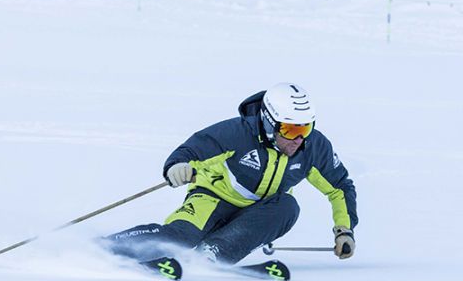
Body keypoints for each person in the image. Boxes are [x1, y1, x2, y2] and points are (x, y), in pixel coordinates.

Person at [104, 82, 358, 265]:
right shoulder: (237, 134)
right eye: (290, 130)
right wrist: (177, 167)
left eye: (306, 128)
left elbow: (339, 187)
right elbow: (192, 149)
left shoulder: (313, 147)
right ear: (270, 123)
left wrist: (344, 231)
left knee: (288, 206)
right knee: (179, 238)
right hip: (213, 199)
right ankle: (106, 248)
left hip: (260, 214)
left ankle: (211, 254)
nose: (299, 140)